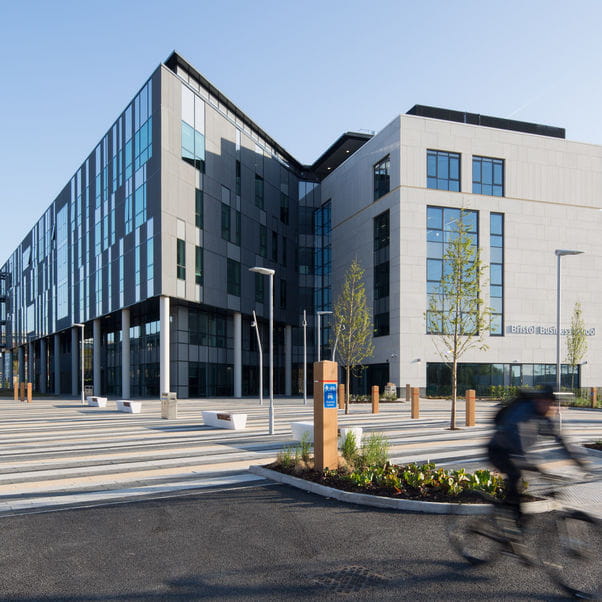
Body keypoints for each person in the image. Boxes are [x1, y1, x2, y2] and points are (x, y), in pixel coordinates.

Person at [488, 385, 589, 535]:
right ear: (538, 400)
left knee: (520, 482)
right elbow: (517, 440)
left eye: (553, 403)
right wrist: (534, 465)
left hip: (517, 454)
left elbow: (562, 440)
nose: (550, 406)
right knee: (516, 477)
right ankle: (508, 521)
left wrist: (580, 462)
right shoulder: (522, 412)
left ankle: (512, 520)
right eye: (547, 402)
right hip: (498, 451)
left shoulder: (546, 416)